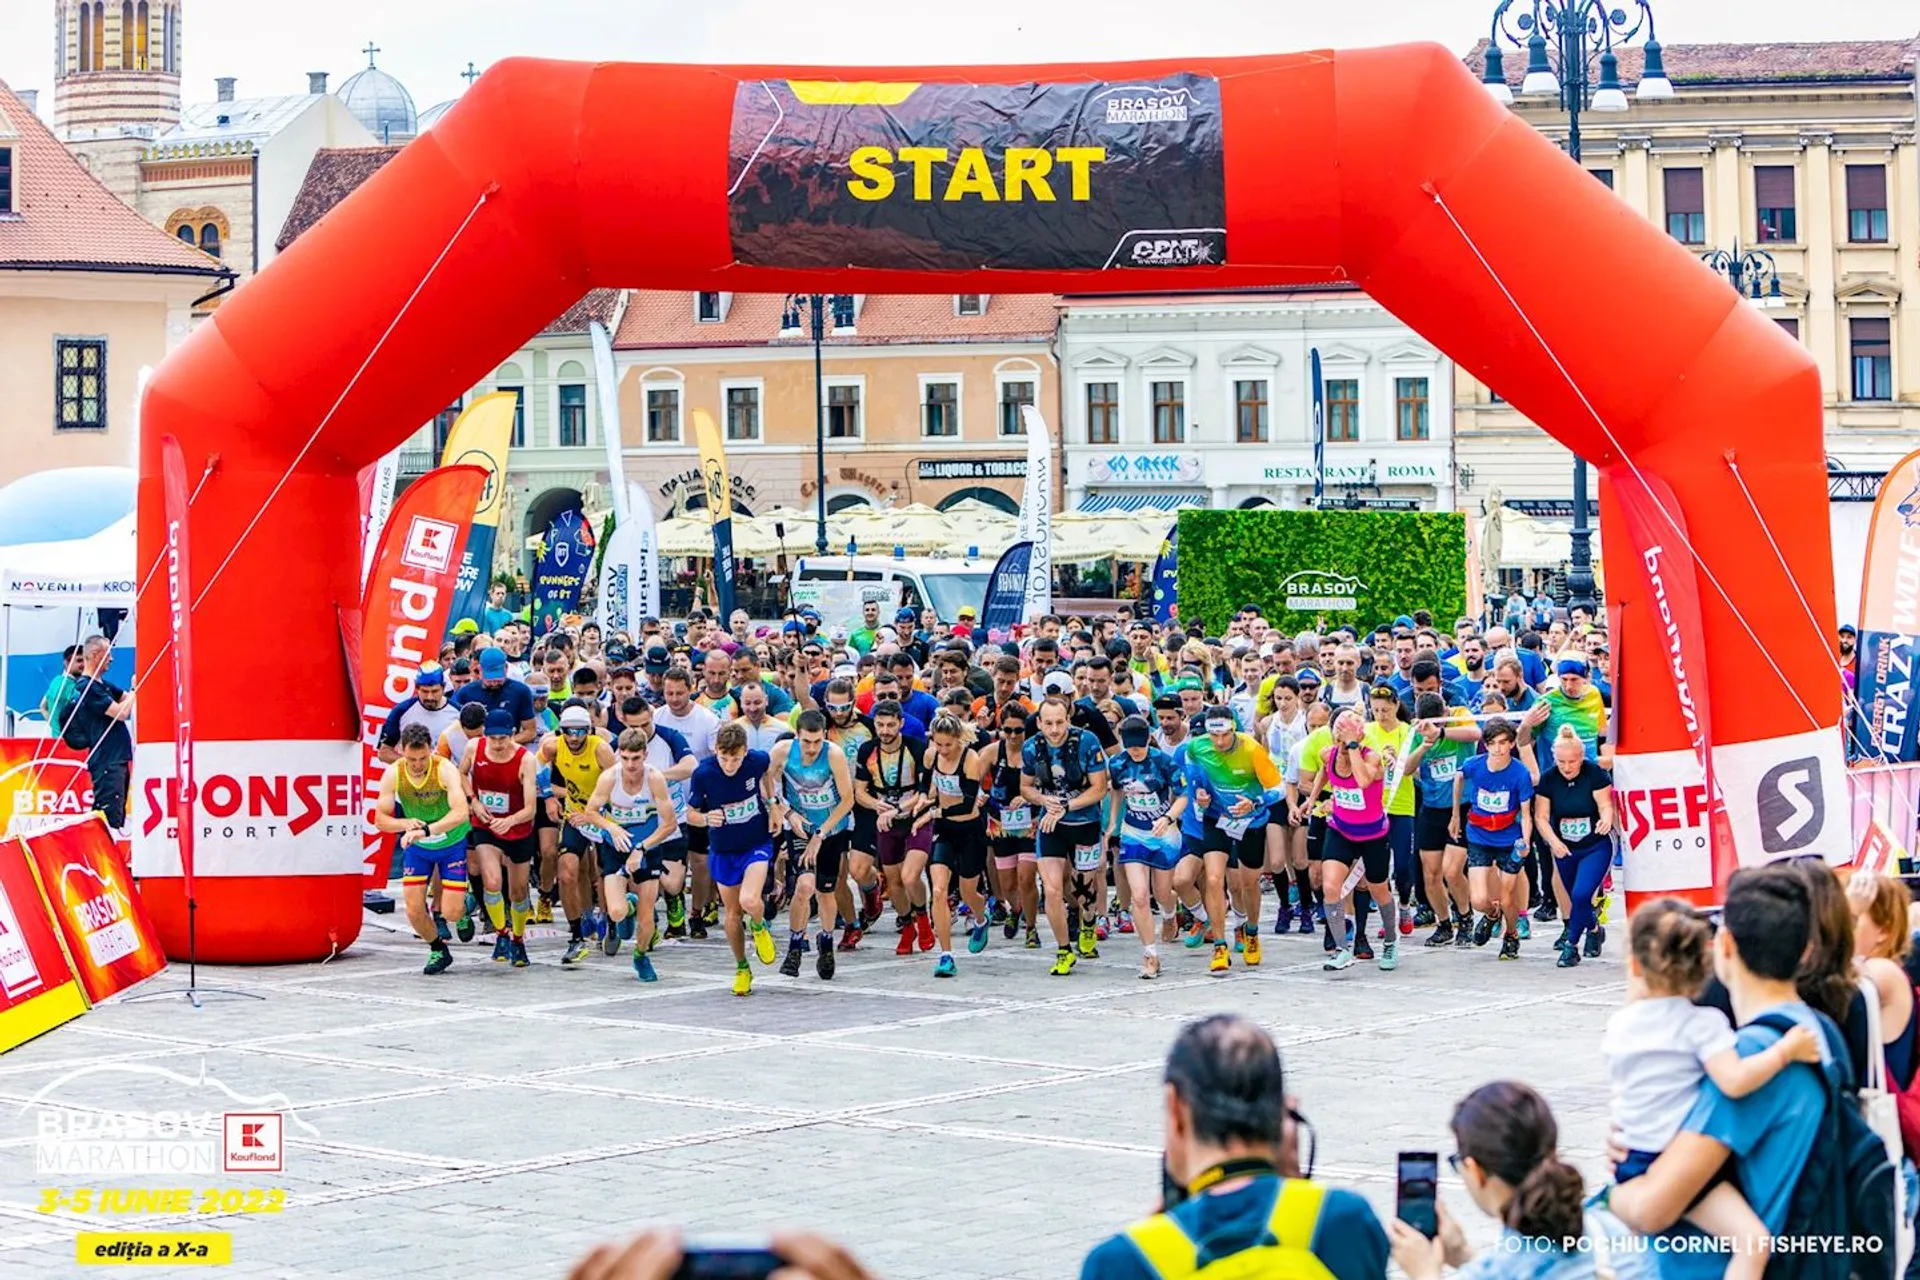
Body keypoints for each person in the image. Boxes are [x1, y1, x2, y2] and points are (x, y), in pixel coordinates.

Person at [1605, 865, 1841, 1278]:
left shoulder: (1753, 1052)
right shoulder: (1819, 1033)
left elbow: (1653, 1208)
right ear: (1805, 950)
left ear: (1725, 946)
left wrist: (1616, 1193)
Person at [1079, 1014, 1388, 1280]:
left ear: (1175, 1108)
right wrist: (1290, 1193)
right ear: (1285, 1111)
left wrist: (1153, 1239)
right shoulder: (1345, 1222)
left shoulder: (1121, 1262)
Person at [1388, 1082, 1593, 1280]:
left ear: (1475, 1171)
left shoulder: (1498, 1270)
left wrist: (1425, 1274)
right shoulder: (1604, 1225)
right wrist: (1463, 1254)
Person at [1184, 708, 1283, 976]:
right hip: (1217, 818)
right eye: (1213, 735)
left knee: (1248, 883)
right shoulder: (1196, 746)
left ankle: (1251, 931)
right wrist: (1200, 795)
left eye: (1225, 735)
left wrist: (1255, 802)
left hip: (1251, 820)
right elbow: (1193, 776)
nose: (1219, 742)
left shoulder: (1251, 748)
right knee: (1215, 879)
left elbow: (1279, 788)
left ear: (1234, 729)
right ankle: (1219, 945)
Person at [685, 720, 780, 997]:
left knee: (750, 900)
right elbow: (690, 813)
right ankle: (742, 967)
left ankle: (760, 925)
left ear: (745, 752)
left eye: (735, 759)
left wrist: (773, 804)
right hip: (724, 849)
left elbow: (767, 774)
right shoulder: (703, 774)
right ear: (715, 751)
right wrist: (704, 818)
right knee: (732, 912)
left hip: (756, 842)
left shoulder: (757, 760)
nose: (729, 765)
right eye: (724, 758)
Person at [373, 723, 473, 975]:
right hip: (419, 845)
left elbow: (461, 813)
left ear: (431, 750)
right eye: (411, 759)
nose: (417, 765)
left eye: (422, 758)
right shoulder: (394, 773)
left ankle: (461, 911)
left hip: (450, 841)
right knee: (414, 909)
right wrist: (404, 823)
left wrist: (427, 830)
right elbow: (379, 819)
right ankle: (438, 949)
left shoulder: (443, 769)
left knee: (450, 910)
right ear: (401, 752)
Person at [1022, 695, 1111, 976]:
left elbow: (1100, 787)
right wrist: (1041, 800)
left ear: (1068, 720)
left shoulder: (1087, 742)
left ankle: (1087, 921)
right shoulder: (1031, 747)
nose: (1055, 729)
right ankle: (1063, 949)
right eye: (1048, 723)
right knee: (1051, 888)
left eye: (1060, 722)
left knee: (1084, 887)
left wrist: (1065, 806)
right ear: (1039, 723)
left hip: (1084, 821)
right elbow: (1025, 787)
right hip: (1051, 825)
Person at [584, 727, 680, 982]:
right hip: (616, 847)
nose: (630, 764)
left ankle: (640, 956)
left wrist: (641, 848)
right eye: (625, 758)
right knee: (615, 912)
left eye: (636, 758)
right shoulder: (609, 778)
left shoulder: (654, 778)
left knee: (647, 914)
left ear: (645, 755)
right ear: (618, 755)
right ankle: (628, 907)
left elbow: (669, 824)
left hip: (647, 846)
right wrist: (612, 828)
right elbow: (590, 811)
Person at [1309, 708, 1398, 974]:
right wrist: (1313, 799)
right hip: (1341, 829)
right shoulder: (1329, 753)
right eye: (1342, 726)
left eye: (1353, 724)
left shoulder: (1371, 759)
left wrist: (1353, 747)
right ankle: (1341, 948)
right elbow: (1324, 772)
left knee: (1378, 889)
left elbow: (1362, 781)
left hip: (1373, 834)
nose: (1346, 728)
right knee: (1330, 887)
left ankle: (1391, 942)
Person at [769, 710, 855, 981]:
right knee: (804, 886)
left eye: (817, 742)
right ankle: (795, 944)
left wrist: (821, 834)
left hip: (831, 827)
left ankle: (826, 942)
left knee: (825, 891)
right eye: (806, 742)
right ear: (797, 736)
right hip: (800, 827)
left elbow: (847, 800)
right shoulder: (783, 751)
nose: (812, 748)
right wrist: (784, 811)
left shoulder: (834, 755)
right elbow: (767, 782)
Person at [1107, 715, 1187, 979]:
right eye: (1130, 747)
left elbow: (1183, 795)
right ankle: (1150, 955)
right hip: (1133, 832)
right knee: (1139, 896)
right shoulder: (1118, 763)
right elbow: (1117, 791)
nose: (1135, 752)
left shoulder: (1163, 761)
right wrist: (1112, 825)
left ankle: (1169, 912)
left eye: (1139, 746)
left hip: (1163, 834)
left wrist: (1168, 818)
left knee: (1162, 892)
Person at [1450, 719, 1538, 961]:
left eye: (1503, 743)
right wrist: (1455, 814)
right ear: (1485, 745)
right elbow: (1459, 776)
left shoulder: (1520, 773)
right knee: (1478, 899)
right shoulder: (1475, 765)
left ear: (1511, 744)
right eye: (1493, 744)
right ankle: (1491, 915)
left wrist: (1526, 842)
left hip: (1509, 840)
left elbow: (1526, 813)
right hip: (1479, 836)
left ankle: (1511, 935)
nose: (1498, 749)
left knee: (1508, 895)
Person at [540, 703, 616, 965]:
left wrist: (596, 814)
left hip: (604, 815)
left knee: (605, 872)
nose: (574, 738)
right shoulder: (553, 745)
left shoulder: (601, 749)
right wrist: (549, 797)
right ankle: (576, 936)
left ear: (589, 730)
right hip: (575, 814)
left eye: (580, 732)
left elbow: (619, 785)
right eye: (569, 732)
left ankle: (609, 918)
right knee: (568, 871)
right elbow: (538, 767)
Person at [463, 708, 539, 968]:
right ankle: (501, 934)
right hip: (486, 824)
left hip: (518, 828)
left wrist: (510, 820)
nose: (497, 744)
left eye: (503, 738)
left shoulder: (525, 759)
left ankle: (518, 938)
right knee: (492, 881)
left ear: (513, 735)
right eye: (493, 738)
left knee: (518, 891)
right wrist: (473, 801)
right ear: (485, 734)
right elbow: (462, 774)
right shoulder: (474, 747)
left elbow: (531, 808)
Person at [1533, 726, 1614, 967]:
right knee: (1574, 898)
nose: (1567, 767)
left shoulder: (1594, 774)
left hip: (1595, 845)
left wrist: (1607, 818)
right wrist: (1554, 842)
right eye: (1561, 762)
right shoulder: (1549, 778)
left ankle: (1571, 946)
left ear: (1581, 758)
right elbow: (1541, 817)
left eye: (1572, 762)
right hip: (1565, 848)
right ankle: (1594, 928)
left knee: (1581, 895)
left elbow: (1605, 804)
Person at [919, 710, 990, 977]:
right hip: (945, 830)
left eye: (949, 745)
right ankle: (946, 954)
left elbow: (969, 805)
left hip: (970, 829)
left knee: (968, 891)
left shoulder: (970, 759)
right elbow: (926, 789)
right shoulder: (931, 756)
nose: (944, 750)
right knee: (938, 890)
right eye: (939, 744)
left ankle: (982, 917)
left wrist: (935, 812)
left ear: (959, 740)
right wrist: (920, 804)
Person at [60, 636, 134, 832]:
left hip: (116, 757)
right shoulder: (87, 688)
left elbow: (124, 698)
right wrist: (134, 688)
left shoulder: (102, 685)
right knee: (107, 814)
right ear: (95, 655)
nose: (111, 659)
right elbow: (121, 712)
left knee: (117, 813)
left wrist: (131, 693)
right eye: (108, 653)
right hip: (106, 759)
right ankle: (103, 856)